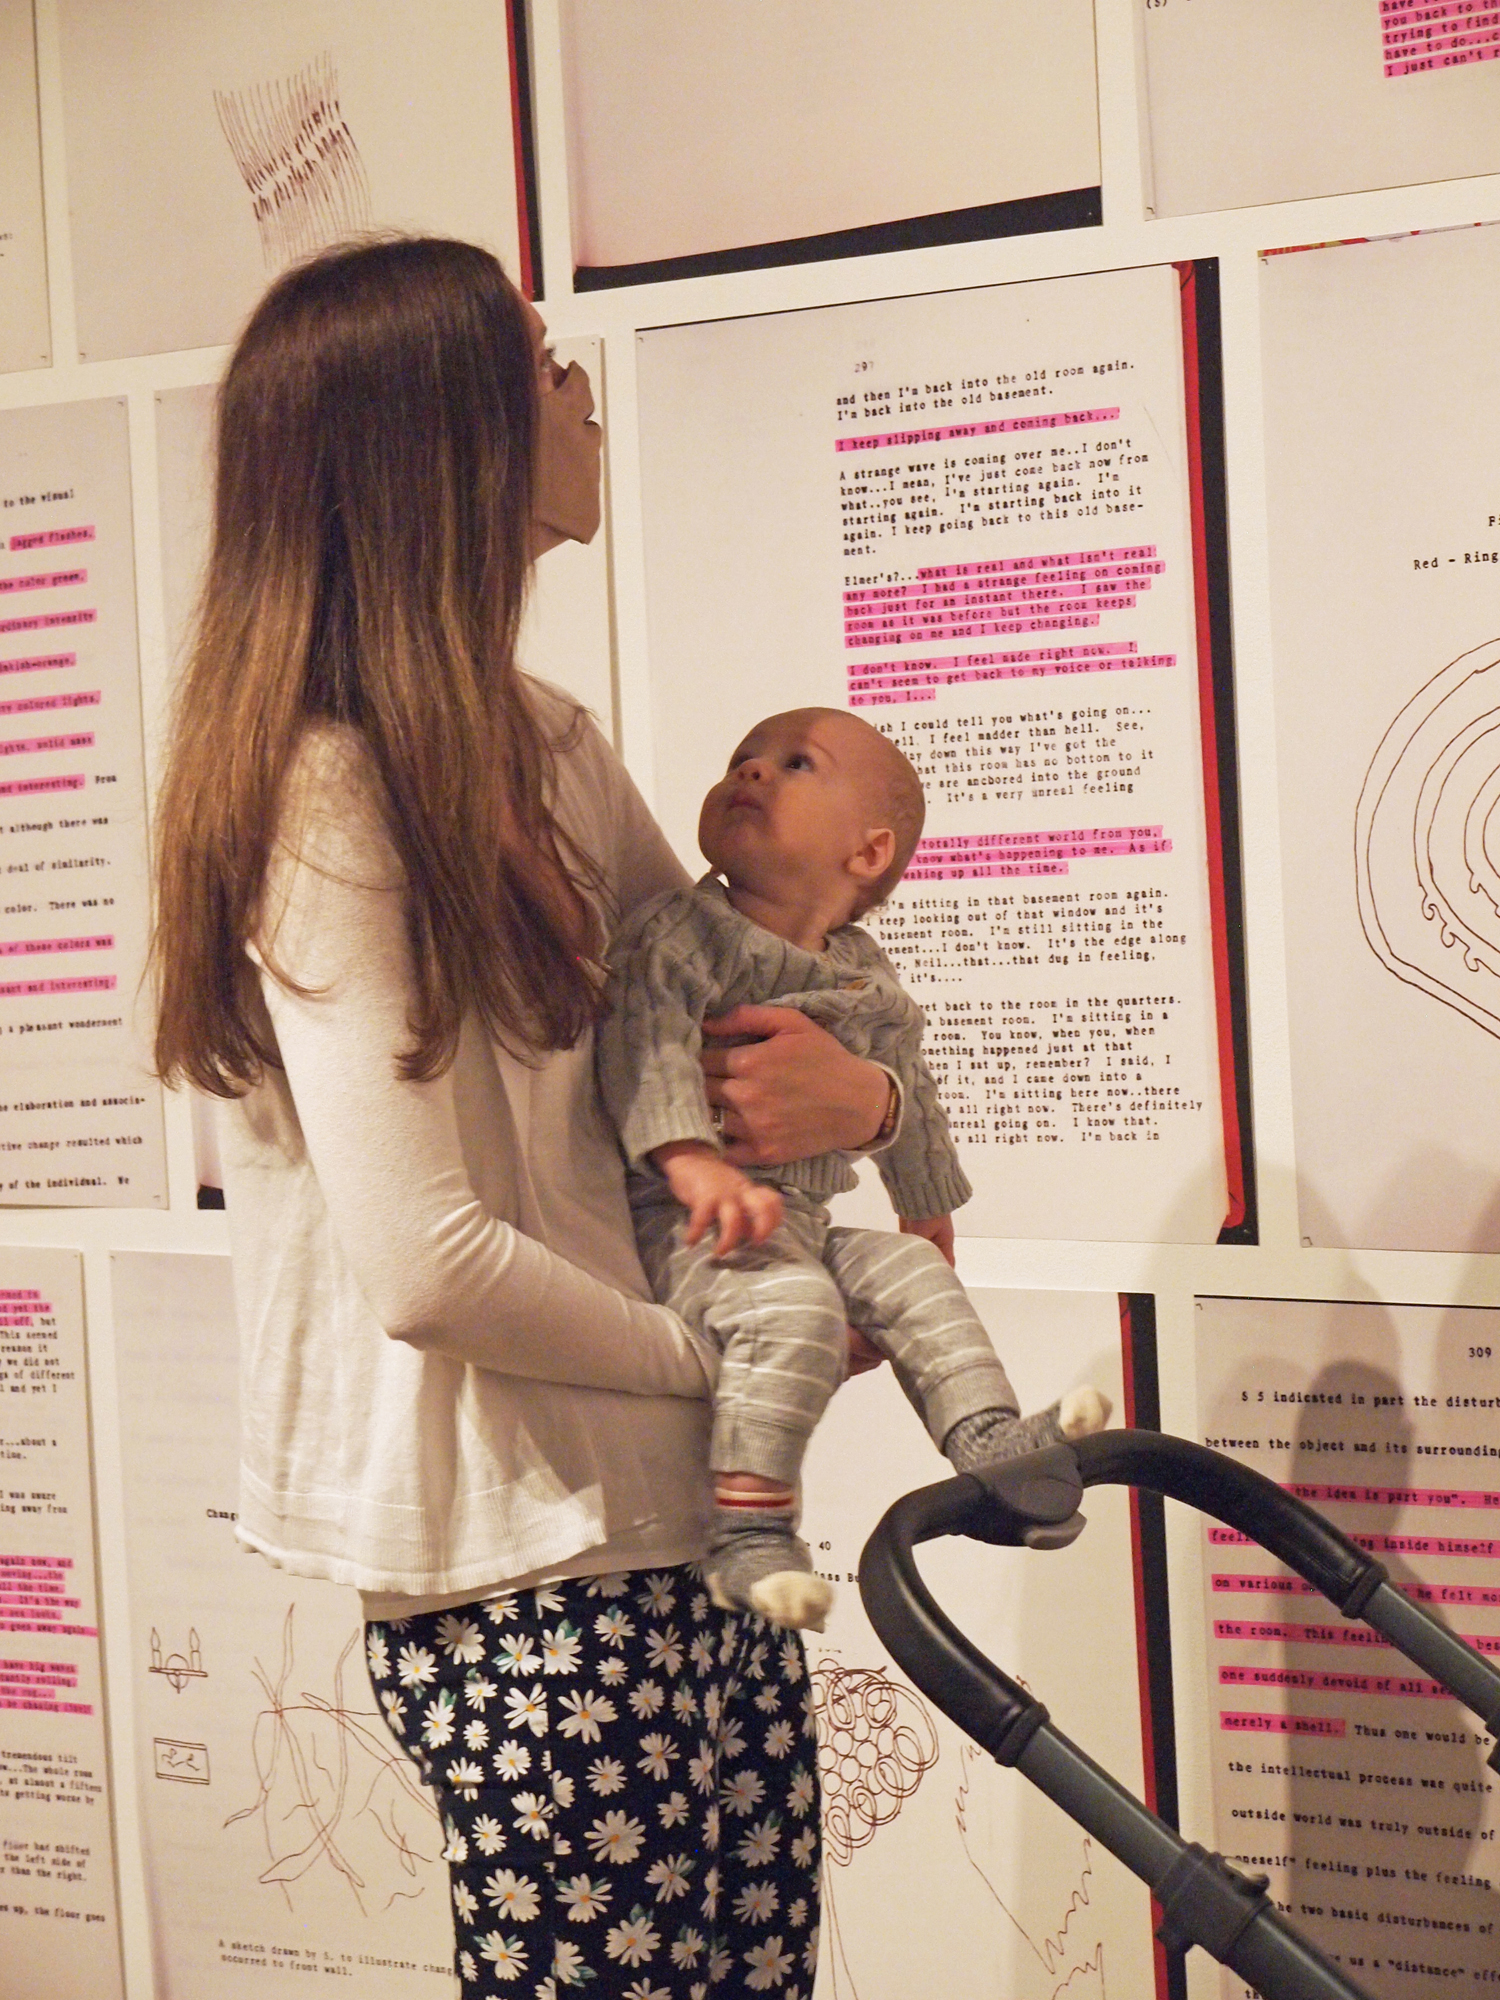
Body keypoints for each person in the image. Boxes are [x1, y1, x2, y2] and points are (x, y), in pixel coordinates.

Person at [150, 237, 894, 2000]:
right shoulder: (330, 788)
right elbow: (431, 1266)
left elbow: (730, 1019)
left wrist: (861, 1085)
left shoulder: (543, 741)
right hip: (525, 1558)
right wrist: (723, 1356)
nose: (583, 396)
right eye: (544, 365)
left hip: (675, 1521)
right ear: (452, 438)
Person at [597, 708, 1111, 1631]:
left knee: (910, 1276)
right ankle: (750, 1535)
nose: (751, 772)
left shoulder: (862, 971)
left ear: (868, 855)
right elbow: (649, 1049)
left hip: (803, 1223)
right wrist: (690, 1165)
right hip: (691, 1226)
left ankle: (989, 1443)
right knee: (793, 1311)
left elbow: (906, 1081)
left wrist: (926, 1211)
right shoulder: (680, 935)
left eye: (795, 765)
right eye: (741, 759)